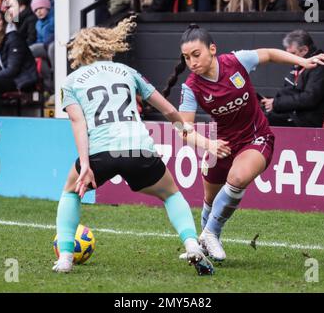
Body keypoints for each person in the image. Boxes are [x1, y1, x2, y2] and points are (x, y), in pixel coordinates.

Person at [52, 17, 214, 276]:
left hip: (101, 151)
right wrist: (184, 128)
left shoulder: (72, 81)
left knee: (71, 193)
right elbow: (169, 109)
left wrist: (85, 164)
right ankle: (192, 244)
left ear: (81, 50)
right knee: (171, 194)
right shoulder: (128, 73)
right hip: (138, 148)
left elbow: (77, 122)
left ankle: (66, 258)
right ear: (109, 47)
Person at [162, 24, 324, 261]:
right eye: (187, 58)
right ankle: (207, 243)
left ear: (212, 49)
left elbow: (270, 54)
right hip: (220, 144)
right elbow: (183, 129)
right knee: (210, 199)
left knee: (238, 178)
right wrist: (207, 144)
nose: (192, 62)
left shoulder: (237, 61)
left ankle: (211, 232)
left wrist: (302, 62)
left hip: (256, 137)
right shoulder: (191, 87)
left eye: (196, 55)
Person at [261, 30, 324, 127]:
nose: (289, 58)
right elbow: (289, 92)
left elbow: (310, 98)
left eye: (292, 53)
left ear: (304, 50)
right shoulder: (299, 65)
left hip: (307, 121)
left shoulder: (320, 66)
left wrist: (276, 103)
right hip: (292, 115)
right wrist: (271, 101)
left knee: (262, 121)